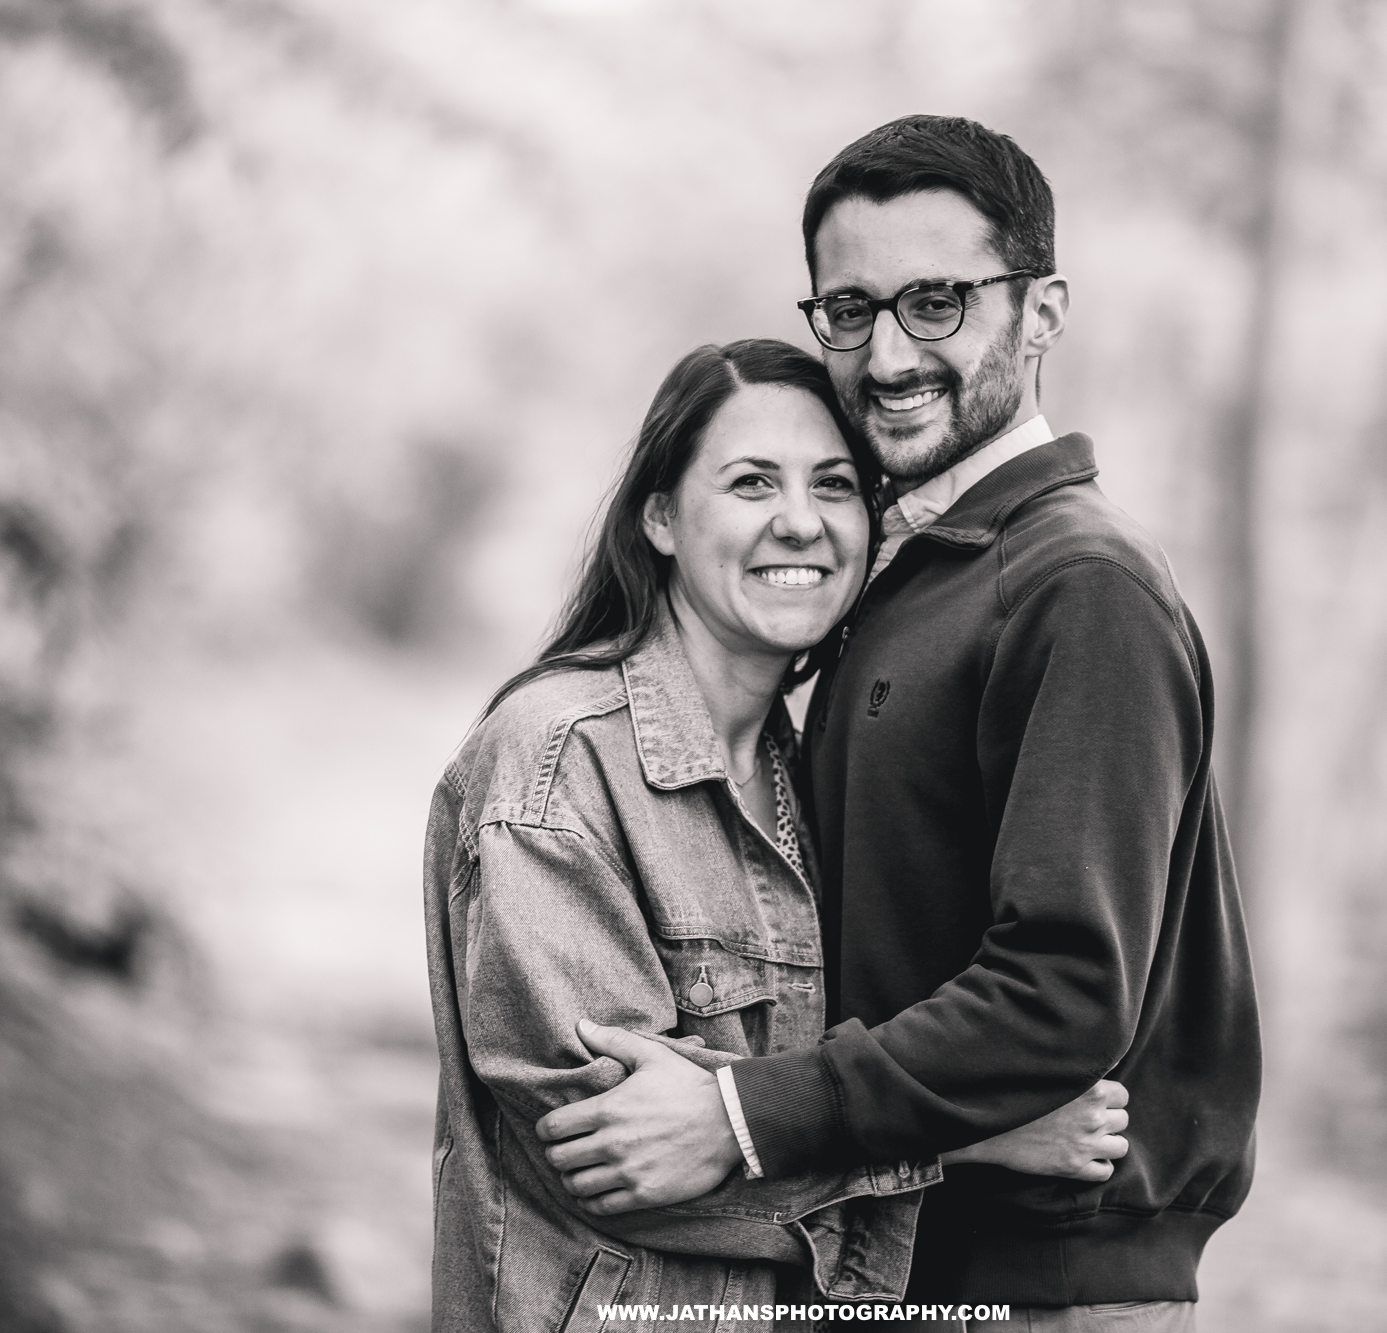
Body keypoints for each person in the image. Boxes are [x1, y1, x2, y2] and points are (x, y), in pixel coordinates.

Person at [536, 118, 1262, 1332]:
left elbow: (1064, 993)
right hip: (898, 1250)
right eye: (850, 309)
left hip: (1042, 1288)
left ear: (1041, 313)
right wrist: (964, 1140)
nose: (885, 355)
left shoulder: (1079, 585)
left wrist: (739, 1116)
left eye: (936, 303)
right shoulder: (904, 570)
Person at [424, 338, 1132, 1333]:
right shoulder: (556, 762)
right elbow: (608, 1149)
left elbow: (726, 1124)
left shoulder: (813, 779)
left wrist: (759, 1119)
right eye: (751, 481)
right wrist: (969, 1138)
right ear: (660, 516)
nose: (799, 520)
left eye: (834, 485)